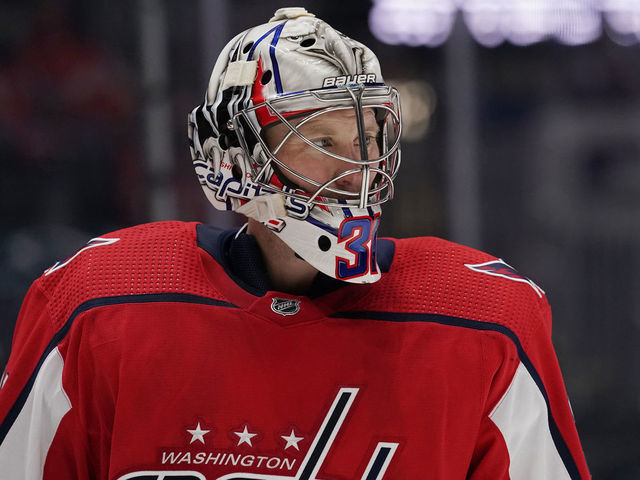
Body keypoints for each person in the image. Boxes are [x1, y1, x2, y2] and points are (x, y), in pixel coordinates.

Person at [0, 7, 590, 479]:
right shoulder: (94, 304)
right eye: (321, 137)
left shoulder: (487, 319)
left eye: (367, 134)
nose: (358, 165)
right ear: (236, 155)